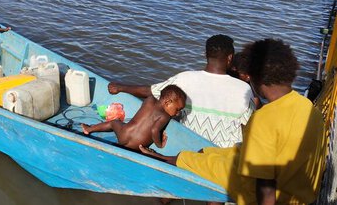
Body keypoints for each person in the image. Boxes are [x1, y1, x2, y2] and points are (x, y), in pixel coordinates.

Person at [139, 38, 327, 205]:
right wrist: (210, 152)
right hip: (301, 195)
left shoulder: (264, 120)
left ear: (256, 78)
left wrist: (187, 159)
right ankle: (178, 159)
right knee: (210, 154)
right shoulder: (310, 110)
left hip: (271, 196)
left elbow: (264, 189)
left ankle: (171, 159)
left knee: (201, 162)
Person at [108, 34, 255, 148]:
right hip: (225, 153)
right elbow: (251, 126)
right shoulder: (244, 89)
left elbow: (152, 92)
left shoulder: (185, 79)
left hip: (189, 147)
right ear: (230, 58)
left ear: (205, 55)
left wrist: (120, 87)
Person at [81, 85, 187, 151]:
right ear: (167, 102)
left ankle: (89, 129)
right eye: (177, 109)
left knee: (114, 123)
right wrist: (159, 144)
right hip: (136, 146)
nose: (177, 113)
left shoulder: (149, 100)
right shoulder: (165, 116)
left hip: (123, 134)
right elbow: (155, 130)